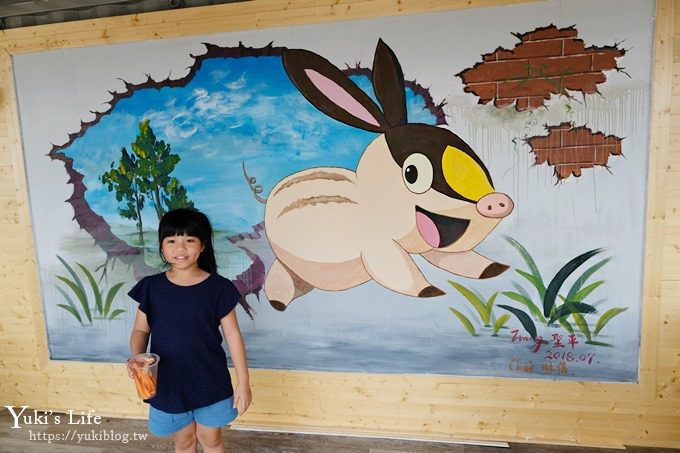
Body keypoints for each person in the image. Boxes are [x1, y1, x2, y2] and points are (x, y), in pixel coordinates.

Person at [128, 207, 252, 453]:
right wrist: (137, 357)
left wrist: (244, 382)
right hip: (168, 383)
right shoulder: (151, 288)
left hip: (210, 381)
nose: (180, 248)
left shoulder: (219, 288)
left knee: (211, 441)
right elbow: (141, 331)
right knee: (184, 441)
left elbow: (233, 335)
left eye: (189, 240)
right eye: (172, 240)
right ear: (162, 246)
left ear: (203, 245)